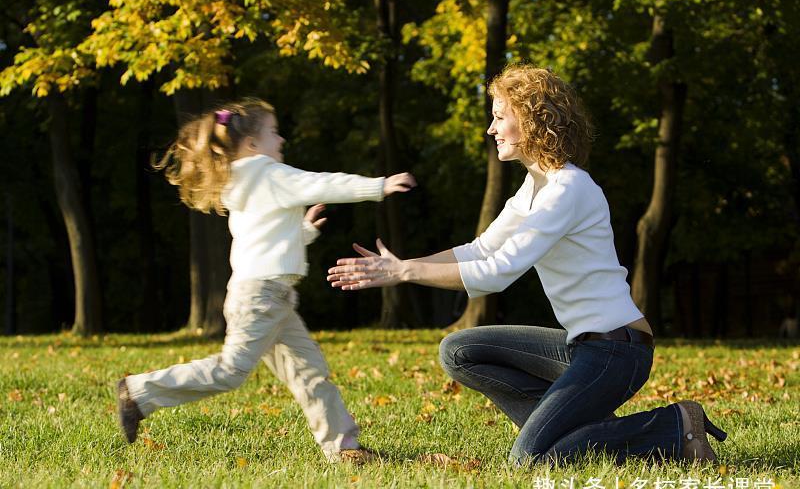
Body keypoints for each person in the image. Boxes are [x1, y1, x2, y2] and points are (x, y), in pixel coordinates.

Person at [326, 65, 726, 465]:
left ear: (533, 119)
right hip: (582, 347)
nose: (491, 128)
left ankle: (675, 425)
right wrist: (401, 265)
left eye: (500, 116)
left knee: (529, 461)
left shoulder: (569, 189)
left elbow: (496, 273)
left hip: (617, 352)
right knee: (460, 350)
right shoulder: (535, 188)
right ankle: (573, 433)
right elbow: (479, 250)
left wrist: (405, 273)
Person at [116, 98, 416, 464]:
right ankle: (139, 392)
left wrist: (302, 231)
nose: (282, 139)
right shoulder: (269, 173)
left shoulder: (243, 181)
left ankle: (343, 450)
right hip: (262, 296)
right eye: (273, 132)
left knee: (310, 374)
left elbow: (263, 239)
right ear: (252, 144)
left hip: (268, 295)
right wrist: (378, 186)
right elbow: (322, 184)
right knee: (230, 371)